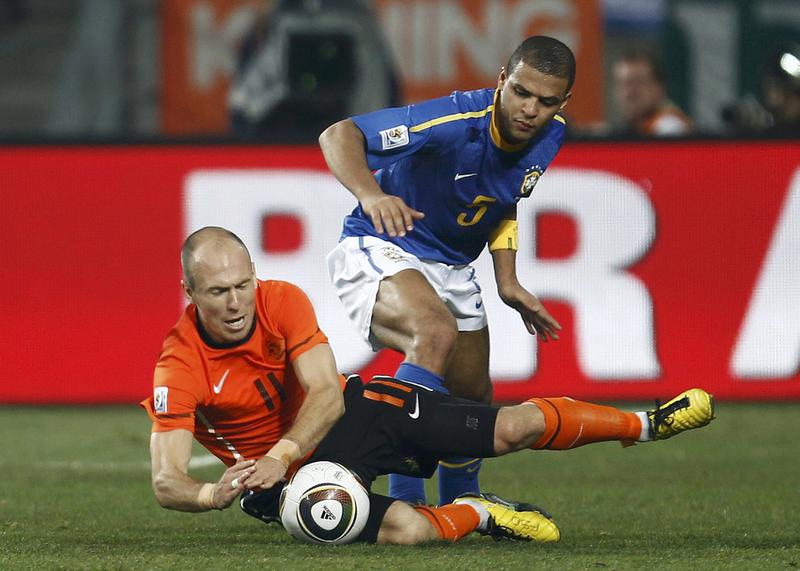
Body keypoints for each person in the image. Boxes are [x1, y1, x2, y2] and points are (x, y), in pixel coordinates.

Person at [141, 226, 716, 545]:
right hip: (287, 485)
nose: (236, 302)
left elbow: (325, 393)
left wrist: (282, 451)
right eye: (218, 292)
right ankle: (478, 513)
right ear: (189, 292)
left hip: (349, 417)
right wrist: (212, 495)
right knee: (407, 531)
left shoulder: (281, 300)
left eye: (243, 285)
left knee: (512, 427)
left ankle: (646, 424)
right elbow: (167, 480)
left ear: (254, 276)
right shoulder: (179, 365)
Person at [318, 35, 572, 505]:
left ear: (563, 103)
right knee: (433, 333)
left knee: (472, 395)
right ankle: (403, 499)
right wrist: (371, 195)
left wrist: (507, 280)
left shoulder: (551, 134)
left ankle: (462, 503)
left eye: (546, 101)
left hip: (452, 266)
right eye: (521, 92)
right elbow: (338, 135)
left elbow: (503, 198)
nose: (530, 109)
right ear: (502, 79)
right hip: (383, 243)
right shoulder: (453, 121)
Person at [611, 48, 693, 137]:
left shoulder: (669, 126)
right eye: (622, 84)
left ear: (659, 88)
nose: (629, 92)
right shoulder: (632, 128)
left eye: (638, 82)